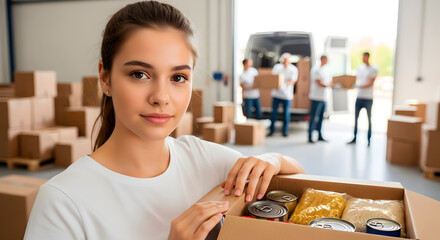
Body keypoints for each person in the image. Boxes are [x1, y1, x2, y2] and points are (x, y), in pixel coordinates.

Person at [24, 1, 305, 240]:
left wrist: (272, 159)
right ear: (105, 77)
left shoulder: (204, 158)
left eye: (178, 78)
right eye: (139, 74)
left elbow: (299, 180)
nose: (161, 97)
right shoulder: (63, 201)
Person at [348, 52, 378, 146]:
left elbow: (371, 83)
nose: (363, 58)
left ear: (368, 57)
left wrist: (359, 86)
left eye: (364, 57)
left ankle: (368, 139)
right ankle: (354, 137)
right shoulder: (360, 68)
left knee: (369, 119)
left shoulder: (373, 69)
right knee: (356, 119)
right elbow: (354, 79)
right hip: (359, 97)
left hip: (368, 98)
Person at [268, 53, 298, 137]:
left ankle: (285, 131)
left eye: (286, 60)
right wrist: (278, 84)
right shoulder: (277, 67)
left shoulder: (293, 69)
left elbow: (293, 81)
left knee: (286, 114)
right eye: (283, 60)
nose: (285, 62)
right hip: (276, 94)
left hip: (287, 95)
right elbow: (273, 78)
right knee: (273, 113)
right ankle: (271, 131)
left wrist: (284, 85)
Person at [308, 55, 332, 143]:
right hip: (316, 97)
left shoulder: (326, 69)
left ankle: (319, 135)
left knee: (321, 117)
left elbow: (329, 80)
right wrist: (329, 85)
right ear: (322, 59)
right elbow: (319, 82)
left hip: (323, 97)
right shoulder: (316, 69)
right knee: (314, 117)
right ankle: (310, 135)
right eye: (325, 59)